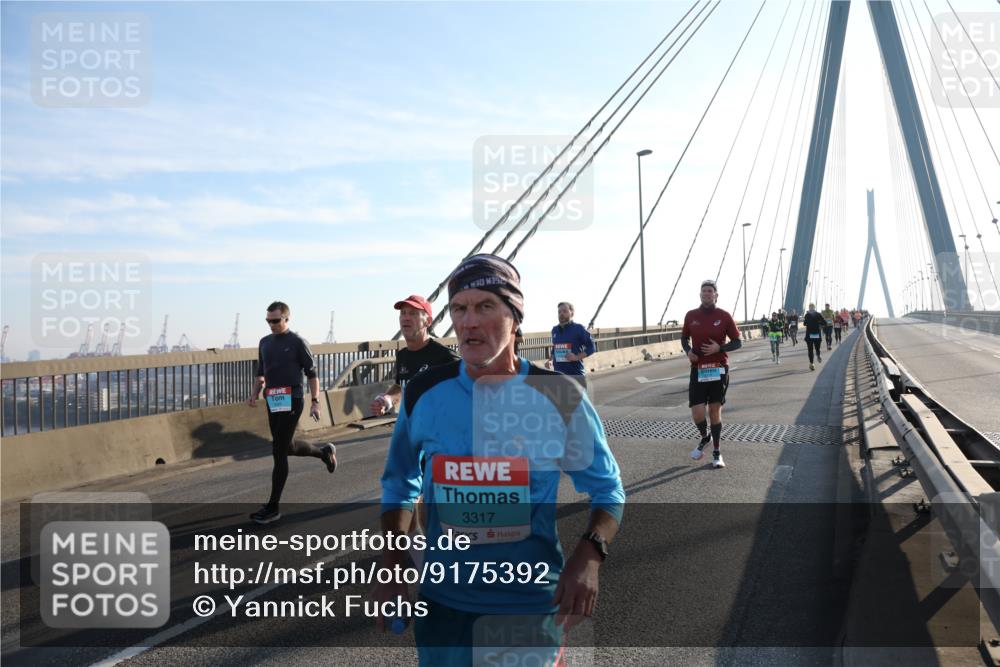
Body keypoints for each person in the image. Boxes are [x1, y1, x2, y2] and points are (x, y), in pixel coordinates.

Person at [376, 254, 624, 666]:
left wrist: (589, 556)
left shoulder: (558, 396)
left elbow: (607, 489)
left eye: (485, 306)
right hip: (443, 605)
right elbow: (400, 482)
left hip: (528, 605)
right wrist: (393, 564)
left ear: (514, 316)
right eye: (460, 308)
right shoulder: (423, 392)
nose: (469, 322)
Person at [247, 301, 337, 525]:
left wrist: (315, 401)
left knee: (278, 451)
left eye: (276, 321)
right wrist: (254, 393)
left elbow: (312, 374)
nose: (272, 325)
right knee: (286, 447)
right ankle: (324, 452)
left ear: (286, 319)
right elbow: (261, 373)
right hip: (273, 399)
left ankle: (273, 507)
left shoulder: (297, 342)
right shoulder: (264, 342)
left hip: (292, 399)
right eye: (268, 321)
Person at [682, 280, 742, 468]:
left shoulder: (724, 316)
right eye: (704, 291)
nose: (707, 293)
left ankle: (717, 453)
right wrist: (688, 351)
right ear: (700, 295)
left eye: (710, 291)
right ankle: (705, 437)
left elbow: (737, 342)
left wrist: (720, 347)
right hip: (698, 370)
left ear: (716, 295)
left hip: (718, 369)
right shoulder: (691, 315)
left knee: (714, 411)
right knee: (697, 413)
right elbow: (684, 338)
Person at [370, 294, 460, 417]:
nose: (406, 318)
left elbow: (470, 390)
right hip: (412, 428)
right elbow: (400, 387)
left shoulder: (445, 357)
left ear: (428, 322)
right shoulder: (402, 355)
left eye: (413, 313)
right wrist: (387, 400)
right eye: (403, 313)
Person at [547, 302, 596, 388]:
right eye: (559, 312)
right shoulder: (554, 330)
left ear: (572, 313)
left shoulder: (578, 328)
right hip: (559, 377)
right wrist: (550, 360)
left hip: (576, 377)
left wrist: (577, 357)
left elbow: (592, 347)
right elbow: (555, 348)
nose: (561, 314)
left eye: (565, 311)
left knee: (577, 402)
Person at [802, 303, 825, 371]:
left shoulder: (807, 315)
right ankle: (816, 358)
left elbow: (804, 323)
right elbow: (824, 323)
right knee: (815, 348)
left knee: (811, 350)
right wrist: (819, 322)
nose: (811, 308)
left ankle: (812, 363)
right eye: (811, 307)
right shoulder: (818, 314)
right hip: (816, 334)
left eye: (811, 307)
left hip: (809, 334)